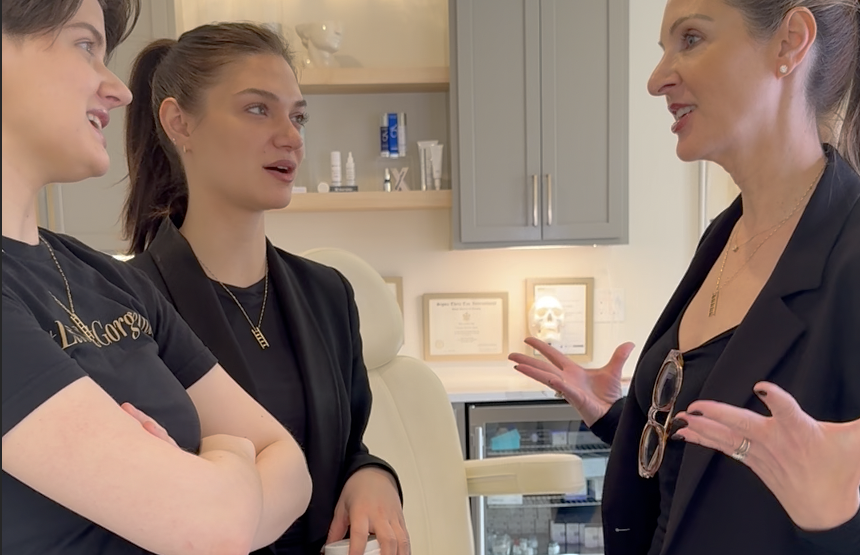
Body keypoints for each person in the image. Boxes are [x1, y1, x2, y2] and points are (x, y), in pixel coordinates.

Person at [509, 1, 860, 554]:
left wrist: (835, 521)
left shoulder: (849, 254)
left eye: (691, 39)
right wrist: (620, 417)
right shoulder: (724, 236)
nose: (656, 80)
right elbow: (715, 467)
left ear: (790, 41)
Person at [1, 1, 313, 554]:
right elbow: (215, 527)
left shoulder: (105, 277)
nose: (119, 90)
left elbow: (289, 464)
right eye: (85, 45)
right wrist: (229, 452)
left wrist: (210, 493)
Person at [121, 22, 409, 555]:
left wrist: (373, 476)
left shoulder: (328, 295)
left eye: (298, 117)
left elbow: (344, 448)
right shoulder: (125, 306)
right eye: (258, 109)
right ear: (179, 122)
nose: (291, 137)